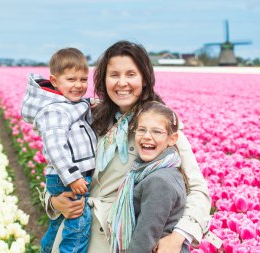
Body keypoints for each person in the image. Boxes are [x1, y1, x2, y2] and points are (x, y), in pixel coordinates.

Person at [44, 40, 211, 253]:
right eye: (114, 75)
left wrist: (178, 236)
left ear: (144, 79)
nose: (122, 83)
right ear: (104, 80)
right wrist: (54, 201)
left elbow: (198, 191)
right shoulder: (87, 120)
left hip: (118, 240)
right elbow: (59, 167)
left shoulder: (159, 128)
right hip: (75, 237)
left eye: (131, 74)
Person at [21, 47, 97, 253]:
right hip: (69, 177)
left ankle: (47, 248)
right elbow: (55, 147)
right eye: (71, 80)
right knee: (78, 224)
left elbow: (77, 105)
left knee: (60, 223)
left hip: (66, 176)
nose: (79, 85)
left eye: (83, 80)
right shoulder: (54, 111)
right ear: (54, 81)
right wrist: (71, 176)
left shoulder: (66, 104)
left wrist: (91, 103)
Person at [108, 101, 190, 253]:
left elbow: (144, 241)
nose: (147, 136)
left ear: (172, 139)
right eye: (141, 130)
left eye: (156, 132)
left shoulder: (159, 181)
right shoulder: (157, 171)